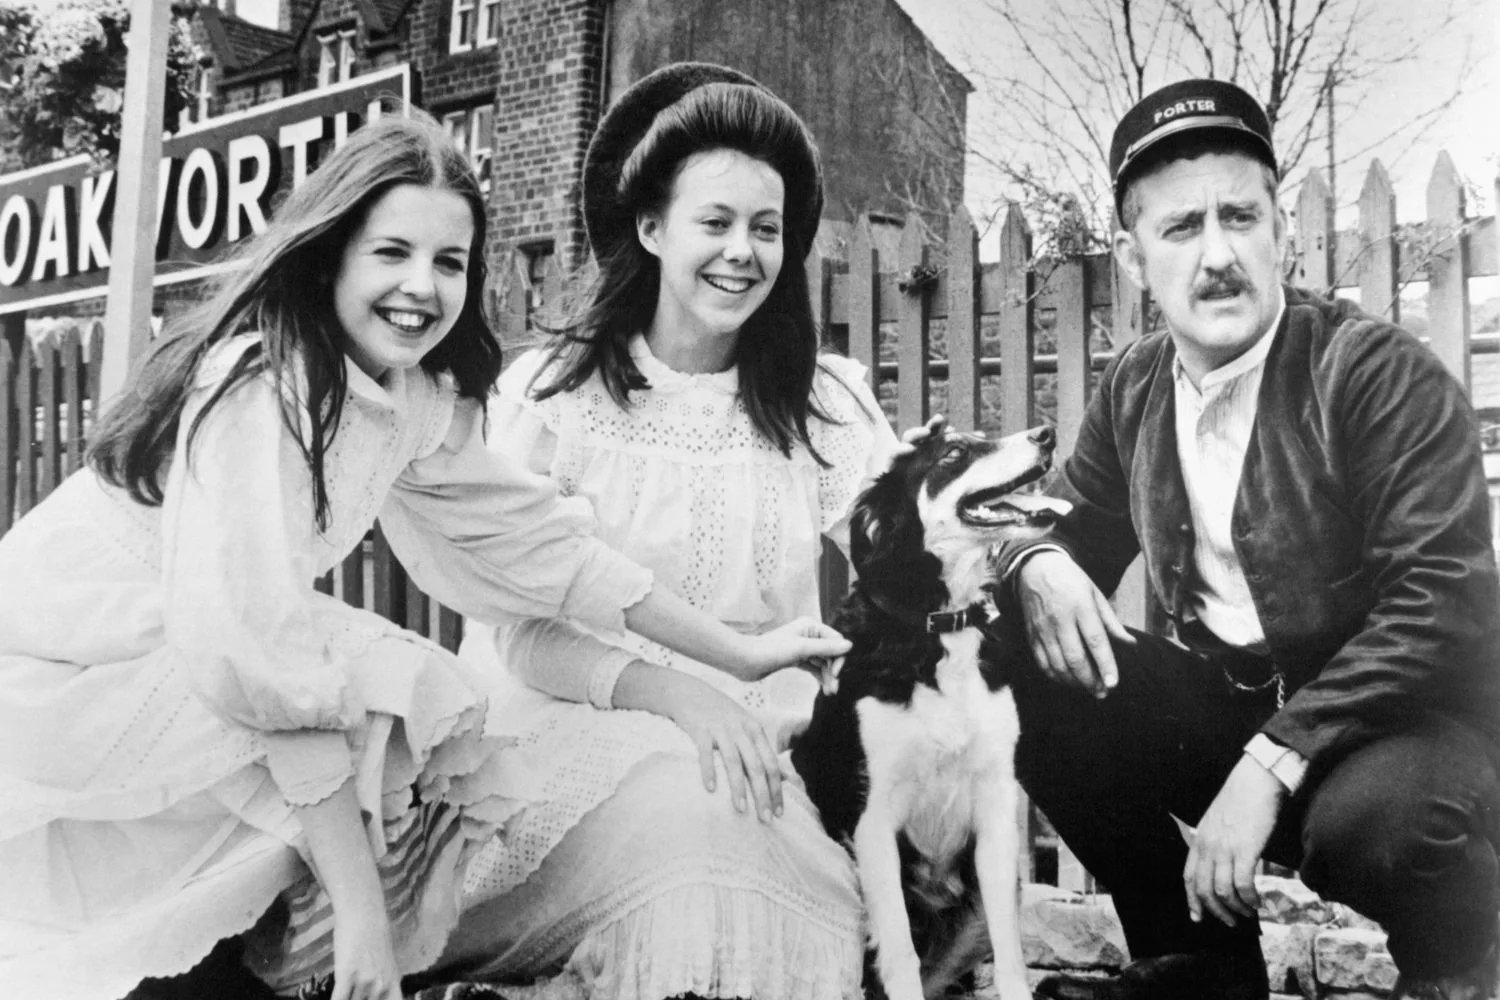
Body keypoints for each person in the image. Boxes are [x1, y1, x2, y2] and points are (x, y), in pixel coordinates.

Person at [0, 111, 850, 1000]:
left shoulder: (403, 399)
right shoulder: (262, 387)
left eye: (449, 263)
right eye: (392, 253)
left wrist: (736, 651)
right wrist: (363, 918)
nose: (421, 287)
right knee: (355, 706)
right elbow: (253, 654)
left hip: (207, 651)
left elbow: (545, 551)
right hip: (83, 645)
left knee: (339, 736)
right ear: (330, 253)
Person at [992, 78, 1500, 1000]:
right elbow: (1059, 524)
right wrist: (1037, 560)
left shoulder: (1373, 372)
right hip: (1227, 711)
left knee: (1377, 830)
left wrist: (1273, 758)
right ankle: (1199, 971)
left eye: (1241, 216)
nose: (1218, 255)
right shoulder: (1137, 387)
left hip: (1404, 729)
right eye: (1182, 228)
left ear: (1284, 233)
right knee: (1010, 654)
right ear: (1133, 256)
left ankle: (1462, 968)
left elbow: (1445, 597)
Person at [432, 64, 898, 1000]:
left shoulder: (823, 400)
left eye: (766, 230)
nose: (742, 253)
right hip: (567, 723)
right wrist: (686, 700)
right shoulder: (555, 398)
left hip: (750, 752)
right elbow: (515, 628)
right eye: (714, 223)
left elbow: (909, 539)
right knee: (692, 813)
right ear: (651, 229)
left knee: (778, 867)